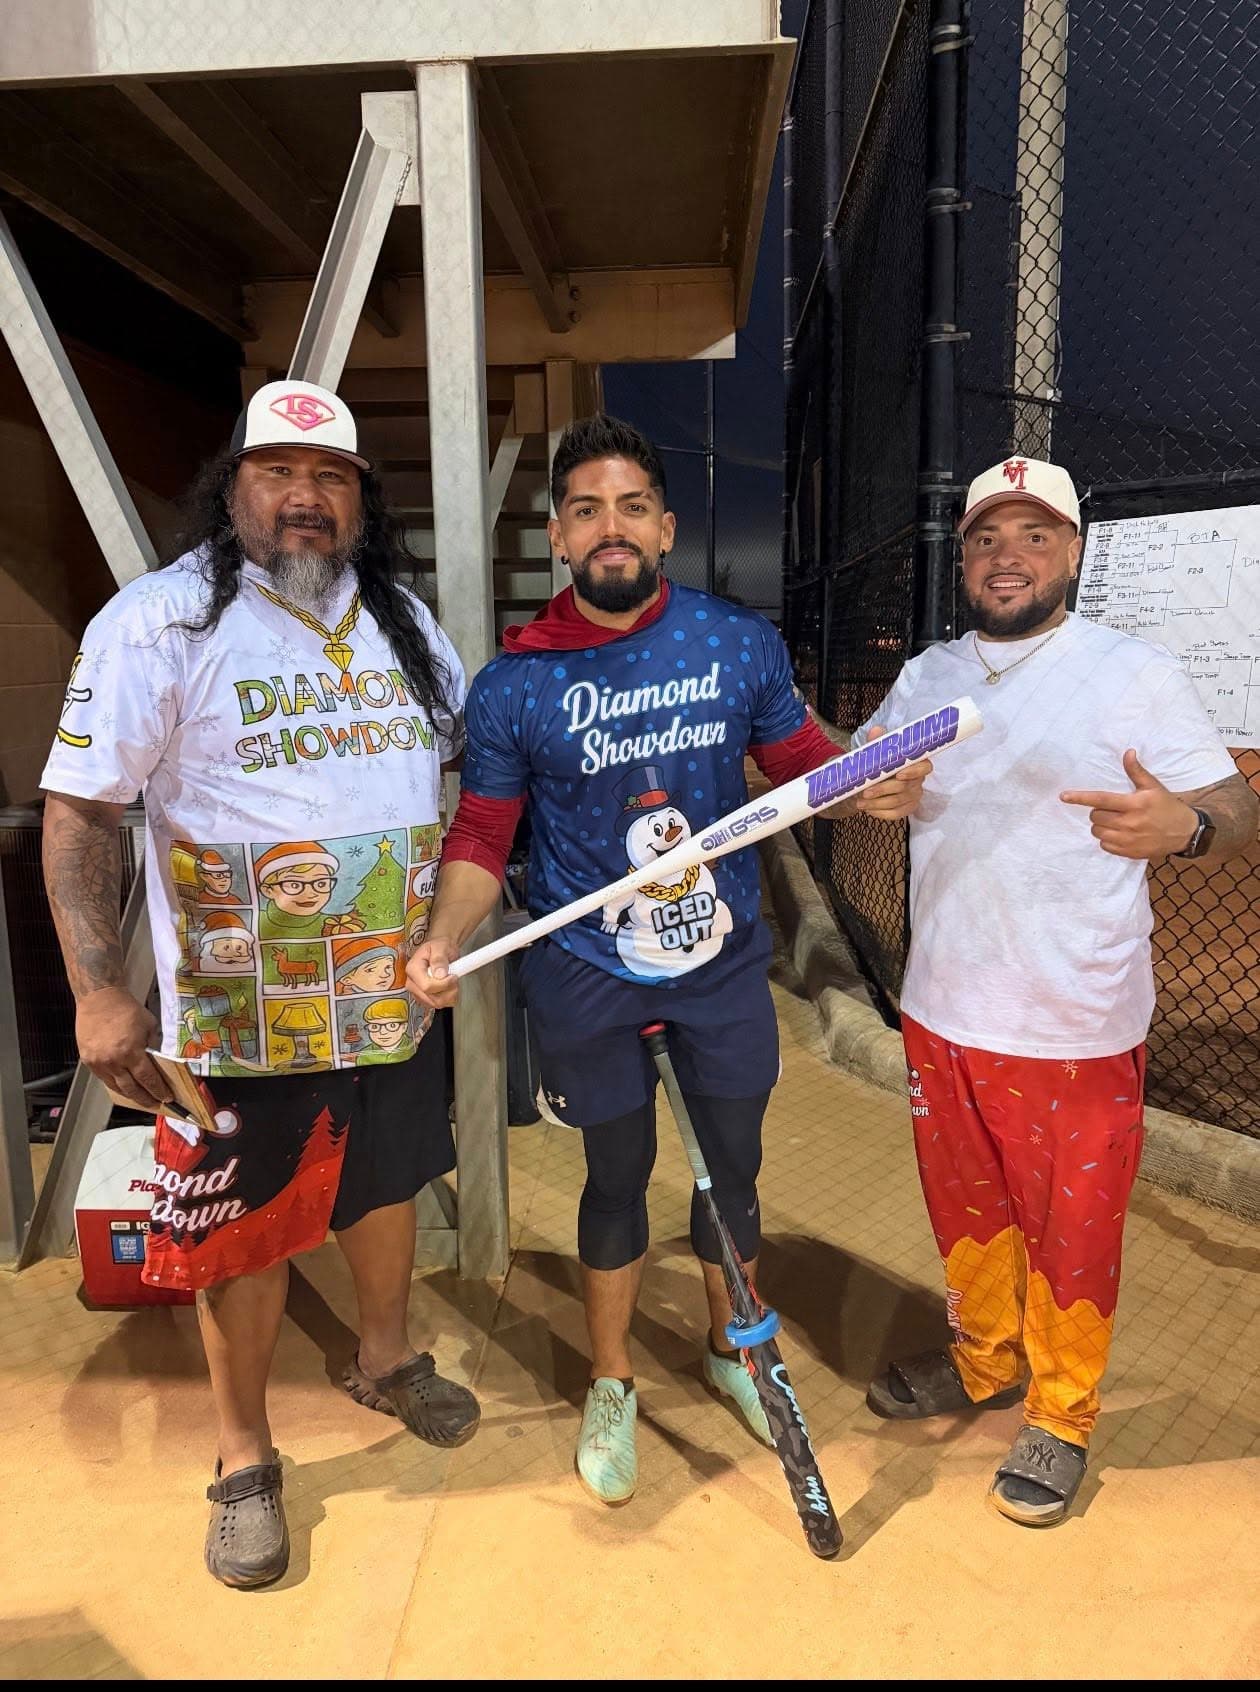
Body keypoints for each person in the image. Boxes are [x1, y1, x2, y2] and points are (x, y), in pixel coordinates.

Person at [408, 414, 931, 1504]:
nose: (612, 527)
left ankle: (729, 1346)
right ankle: (612, 1383)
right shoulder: (514, 685)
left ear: (665, 527)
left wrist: (859, 779)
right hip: (586, 972)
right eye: (588, 509)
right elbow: (481, 838)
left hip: (721, 966)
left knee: (729, 1172)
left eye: (632, 507)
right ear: (558, 536)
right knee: (613, 1178)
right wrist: (444, 938)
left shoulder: (734, 644)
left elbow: (797, 766)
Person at [41, 378, 481, 1590]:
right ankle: (243, 1460)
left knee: (386, 1185)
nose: (304, 499)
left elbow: (457, 779)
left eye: (330, 478)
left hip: (390, 992)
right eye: (279, 475)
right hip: (239, 1009)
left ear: (360, 501)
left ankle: (384, 1361)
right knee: (240, 1228)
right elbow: (81, 810)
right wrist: (96, 990)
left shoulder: (403, 622)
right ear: (232, 487)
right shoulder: (159, 623)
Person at [862, 456, 1258, 1525]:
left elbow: (1231, 802)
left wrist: (1187, 827)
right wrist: (875, 790)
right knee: (969, 1215)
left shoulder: (1133, 672)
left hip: (1075, 1020)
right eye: (989, 537)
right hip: (944, 1007)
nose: (1009, 556)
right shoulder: (931, 676)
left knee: (1074, 1230)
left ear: (1073, 553)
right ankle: (986, 1362)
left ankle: (1063, 1413)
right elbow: (866, 775)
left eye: (1036, 536)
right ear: (966, 558)